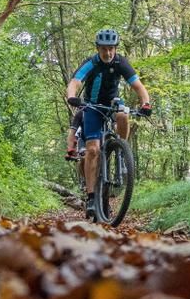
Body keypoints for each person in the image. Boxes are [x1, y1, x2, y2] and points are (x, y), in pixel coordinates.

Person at [64, 28, 151, 219]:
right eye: (104, 49)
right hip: (92, 106)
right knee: (93, 150)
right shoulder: (91, 63)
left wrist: (145, 103)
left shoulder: (121, 62)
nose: (108, 53)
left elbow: (138, 86)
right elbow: (75, 82)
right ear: (98, 48)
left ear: (115, 48)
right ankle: (91, 198)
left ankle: (121, 150)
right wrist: (72, 97)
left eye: (111, 48)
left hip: (112, 103)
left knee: (123, 114)